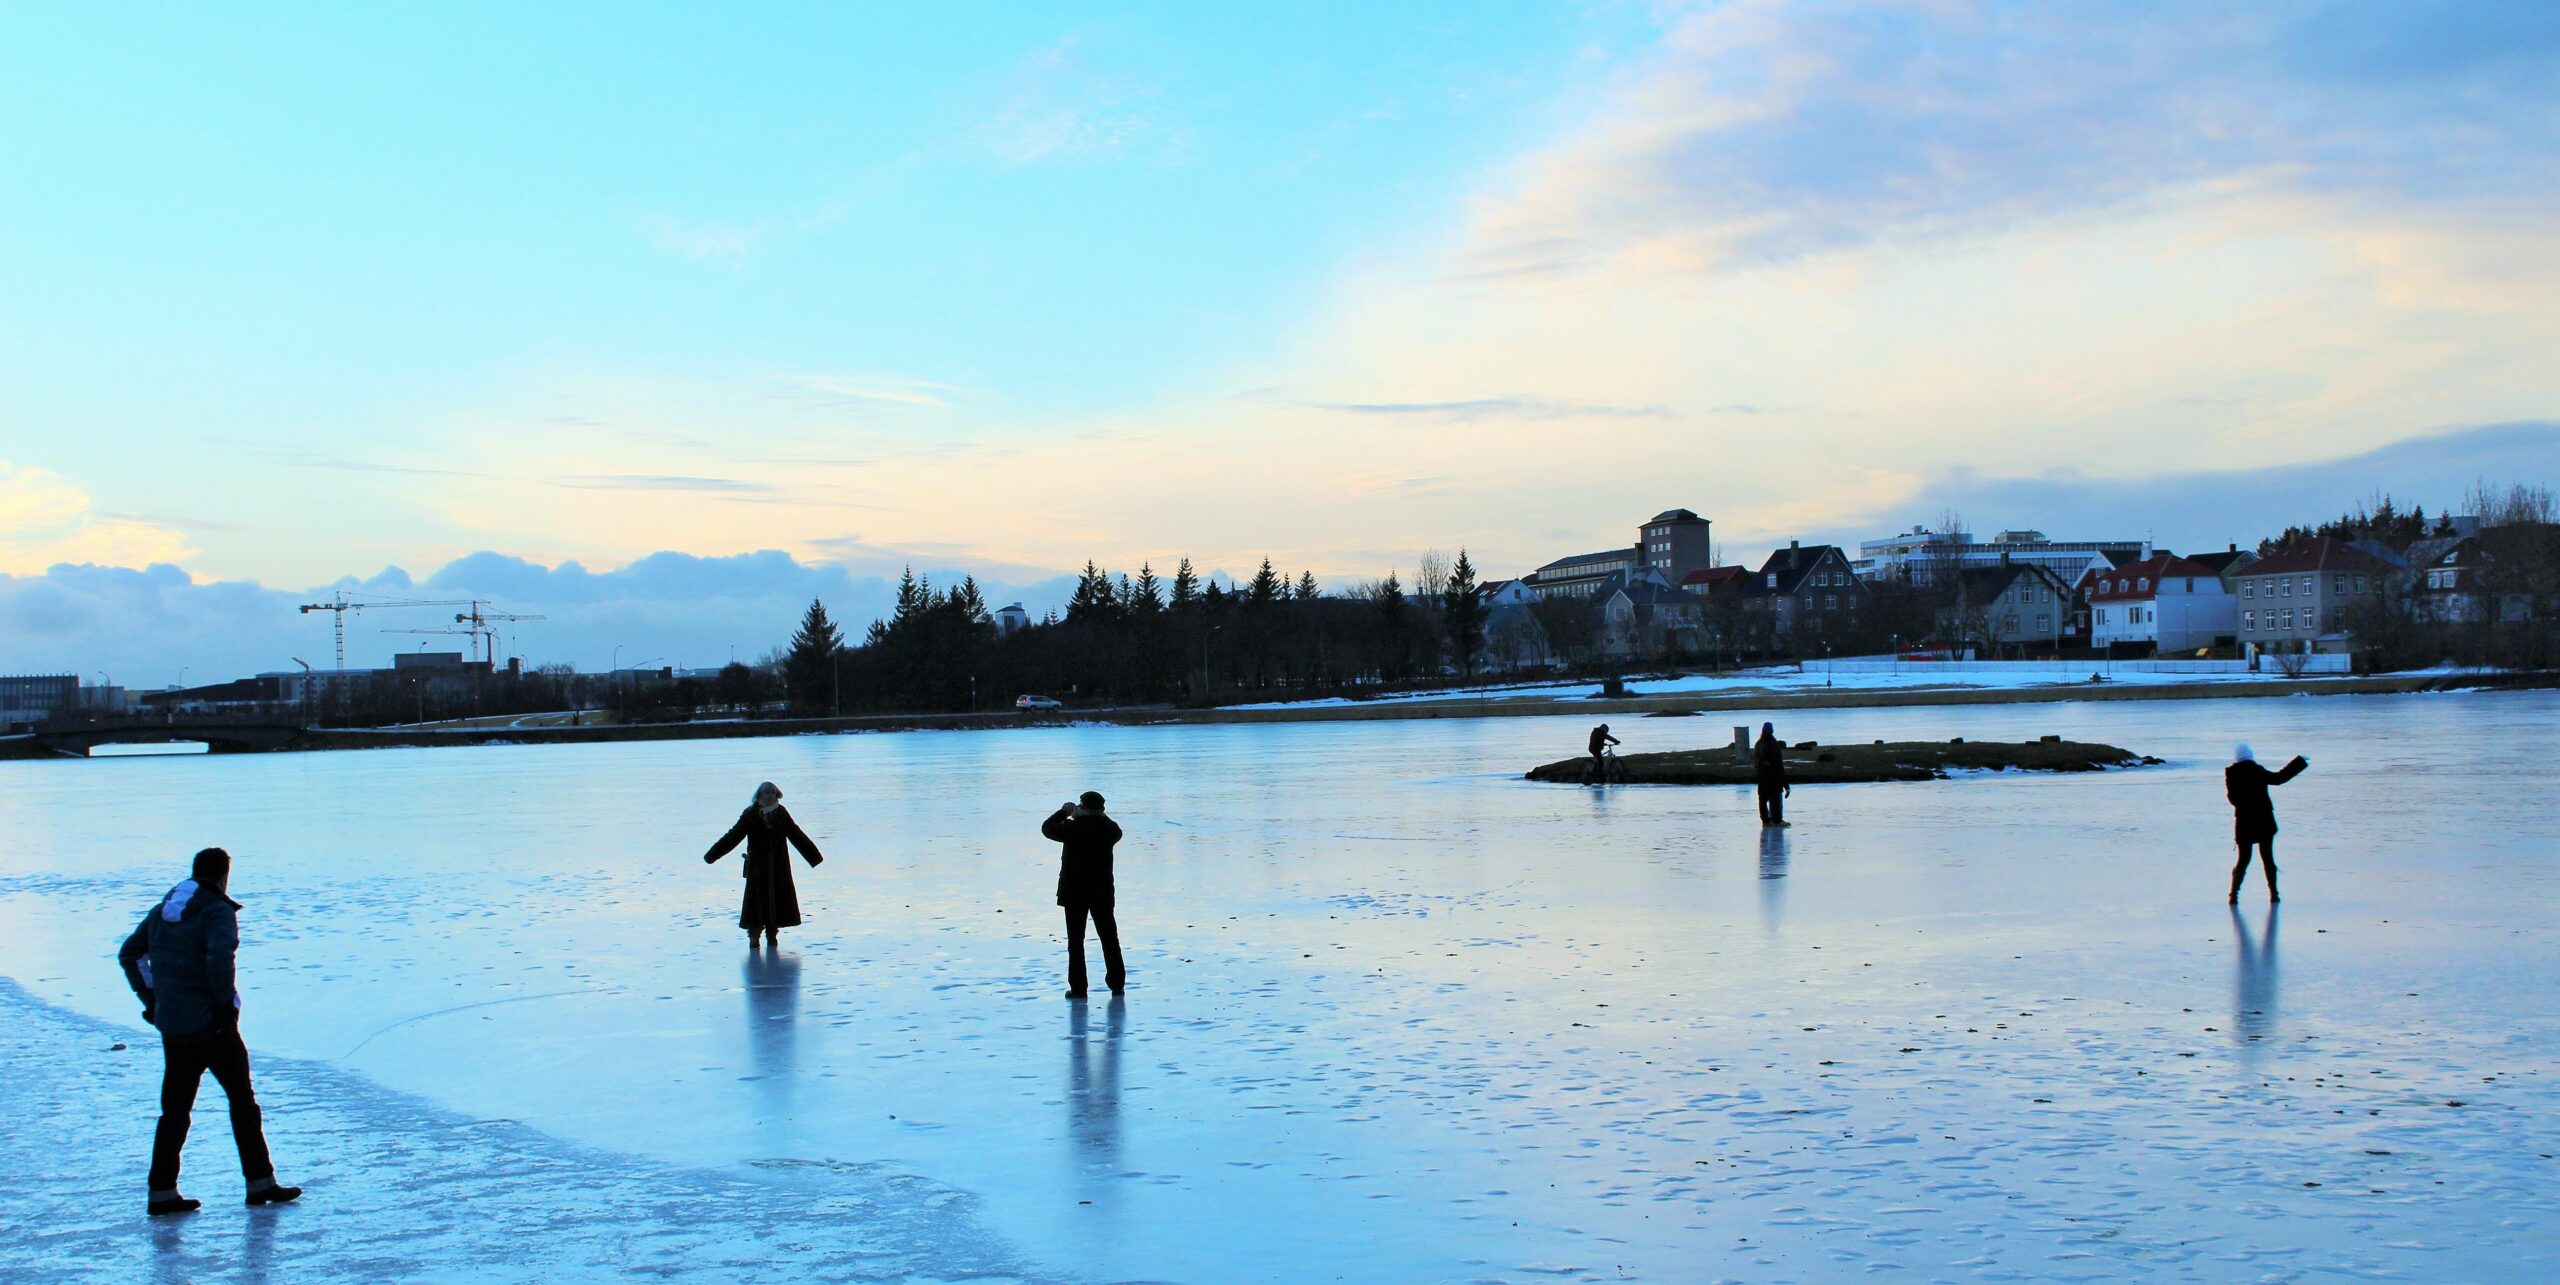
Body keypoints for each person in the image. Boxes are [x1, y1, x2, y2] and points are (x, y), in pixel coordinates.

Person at [115, 847, 300, 1216]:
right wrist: (224, 1008)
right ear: (223, 876)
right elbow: (220, 959)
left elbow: (130, 955)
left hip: (175, 1028)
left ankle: (161, 1192)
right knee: (243, 1103)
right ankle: (260, 1182)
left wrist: (153, 1002)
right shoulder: (216, 911)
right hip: (213, 1027)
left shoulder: (162, 911)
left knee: (174, 1112)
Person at [704, 782, 825, 947]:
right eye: (766, 793)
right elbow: (733, 836)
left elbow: (796, 834)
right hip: (757, 867)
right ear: (759, 795)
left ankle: (772, 935)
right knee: (755, 902)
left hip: (778, 866)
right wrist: (712, 855)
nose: (769, 796)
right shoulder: (750, 814)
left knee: (776, 900)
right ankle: (754, 936)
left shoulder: (781, 813)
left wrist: (814, 857)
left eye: (772, 793)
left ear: (777, 795)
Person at [1043, 792, 1126, 999]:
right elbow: (1114, 828)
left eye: (1081, 804)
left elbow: (1047, 828)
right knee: (1109, 938)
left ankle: (1079, 988)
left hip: (1075, 891)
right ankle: (1117, 983)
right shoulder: (1110, 828)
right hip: (1102, 891)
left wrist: (1063, 812)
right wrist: (1095, 814)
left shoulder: (1073, 827)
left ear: (1085, 808)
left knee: (1075, 942)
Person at [2225, 744, 2307, 903]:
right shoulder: (2256, 770)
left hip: (2244, 822)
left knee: (2243, 860)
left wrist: (2245, 805)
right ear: (2250, 754)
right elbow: (2279, 778)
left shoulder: (2231, 773)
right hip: (2263, 820)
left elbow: (2232, 799)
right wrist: (2299, 762)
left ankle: (2233, 896)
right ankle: (2274, 894)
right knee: (2268, 859)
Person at [1753, 722, 1791, 827]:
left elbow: (1757, 762)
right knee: (1775, 799)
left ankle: (1766, 820)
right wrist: (1785, 784)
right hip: (1773, 777)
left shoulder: (1759, 744)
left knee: (1763, 800)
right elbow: (1778, 764)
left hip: (1762, 777)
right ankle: (1777, 820)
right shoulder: (1773, 744)